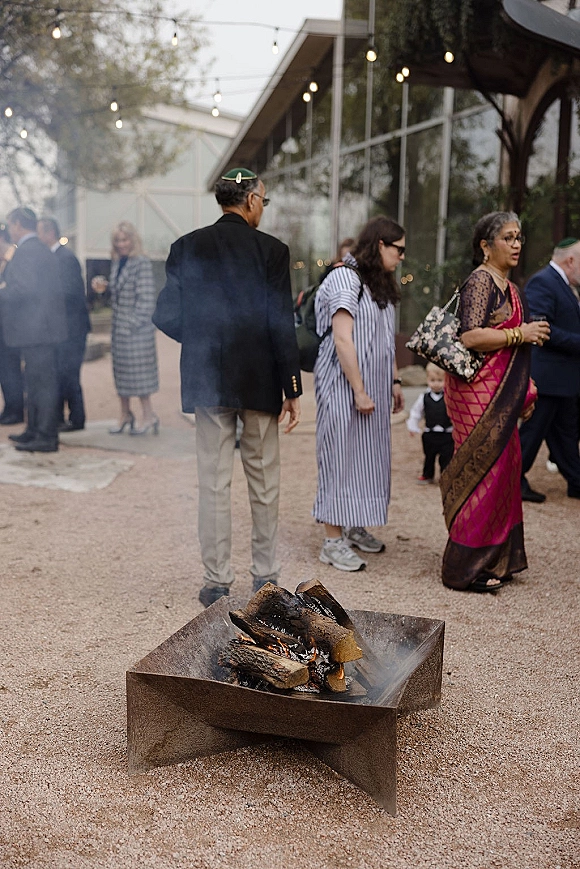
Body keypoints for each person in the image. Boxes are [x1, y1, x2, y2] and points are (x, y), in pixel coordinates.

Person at [153, 167, 302, 607]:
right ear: (252, 200)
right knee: (264, 482)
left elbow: (165, 313)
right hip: (259, 379)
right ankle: (266, 577)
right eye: (264, 201)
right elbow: (281, 323)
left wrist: (200, 338)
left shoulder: (187, 246)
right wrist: (291, 385)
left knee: (213, 482)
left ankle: (216, 580)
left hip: (209, 377)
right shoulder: (272, 250)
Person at [440, 211, 550, 592]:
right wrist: (522, 333)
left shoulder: (512, 288)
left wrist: (526, 389)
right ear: (486, 246)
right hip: (476, 395)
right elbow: (471, 337)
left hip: (501, 394)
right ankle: (462, 569)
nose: (517, 244)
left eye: (519, 236)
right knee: (482, 475)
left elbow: (514, 356)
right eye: (508, 237)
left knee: (505, 472)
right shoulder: (480, 282)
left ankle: (496, 559)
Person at [312, 215, 405, 572]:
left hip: (373, 388)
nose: (401, 257)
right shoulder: (344, 278)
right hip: (342, 386)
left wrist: (394, 382)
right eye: (398, 249)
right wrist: (359, 390)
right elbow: (342, 338)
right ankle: (332, 541)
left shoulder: (378, 284)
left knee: (366, 457)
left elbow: (384, 340)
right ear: (379, 244)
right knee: (339, 454)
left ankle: (352, 525)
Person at [0, 207, 67, 452]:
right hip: (39, 330)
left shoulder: (28, 251)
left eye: (10, 225)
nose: (9, 230)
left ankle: (46, 435)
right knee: (36, 383)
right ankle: (34, 429)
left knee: (42, 385)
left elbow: (23, 289)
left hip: (38, 330)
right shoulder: (36, 249)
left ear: (18, 224)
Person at [518, 237, 580, 502]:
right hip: (546, 377)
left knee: (565, 435)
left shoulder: (563, 285)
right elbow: (541, 328)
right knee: (532, 433)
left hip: (562, 380)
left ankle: (577, 482)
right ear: (571, 261)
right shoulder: (543, 282)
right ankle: (512, 481)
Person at [37, 218, 91, 432]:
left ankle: (77, 419)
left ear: (49, 233)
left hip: (72, 329)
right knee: (60, 374)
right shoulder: (56, 258)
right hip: (63, 329)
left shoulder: (65, 258)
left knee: (70, 374)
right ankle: (60, 417)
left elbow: (70, 294)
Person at [108, 221, 159, 435]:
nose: (121, 244)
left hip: (136, 333)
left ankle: (149, 416)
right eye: (118, 240)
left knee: (141, 378)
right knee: (121, 376)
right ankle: (125, 414)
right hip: (119, 332)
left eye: (125, 239)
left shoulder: (142, 263)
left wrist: (130, 325)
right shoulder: (118, 262)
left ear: (133, 240)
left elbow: (147, 301)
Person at [406, 362, 454, 484]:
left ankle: (445, 476)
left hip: (447, 434)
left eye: (439, 380)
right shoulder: (424, 397)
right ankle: (427, 474)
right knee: (429, 455)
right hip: (430, 433)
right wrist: (413, 426)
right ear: (427, 379)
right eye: (432, 380)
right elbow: (416, 412)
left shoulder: (450, 397)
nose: (436, 383)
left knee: (446, 457)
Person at [0, 225, 24, 425]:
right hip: (3, 325)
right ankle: (9, 407)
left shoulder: (13, 258)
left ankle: (15, 409)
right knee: (4, 370)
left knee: (11, 370)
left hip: (12, 326)